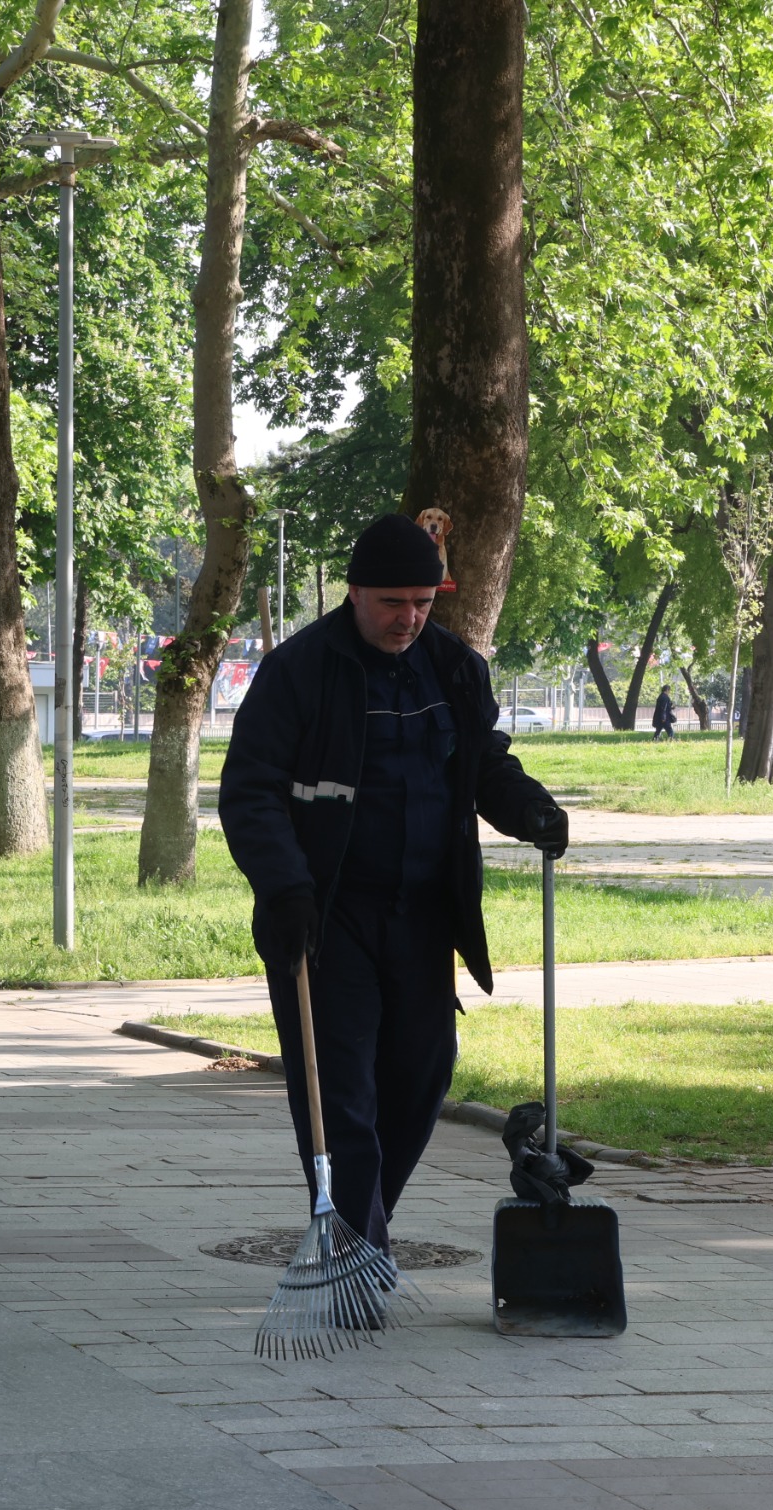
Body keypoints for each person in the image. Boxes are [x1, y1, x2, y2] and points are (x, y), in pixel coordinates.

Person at [220, 514, 567, 1272]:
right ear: (354, 594)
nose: (408, 618)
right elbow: (249, 792)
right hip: (324, 914)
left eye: (422, 601)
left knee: (420, 1076)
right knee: (342, 1094)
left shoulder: (452, 669)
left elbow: (482, 766)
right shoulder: (301, 671)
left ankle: (359, 1228)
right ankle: (357, 1251)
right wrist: (284, 888)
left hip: (422, 916)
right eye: (392, 602)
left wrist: (529, 809)